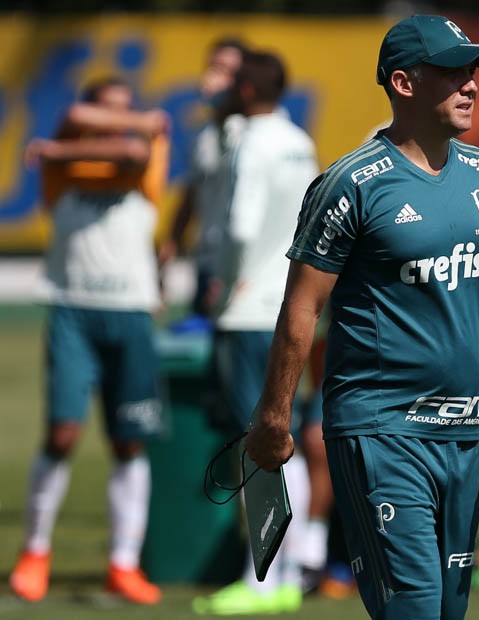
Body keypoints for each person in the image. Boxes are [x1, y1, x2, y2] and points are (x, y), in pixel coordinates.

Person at [243, 15, 479, 620]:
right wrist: (273, 417)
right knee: (415, 609)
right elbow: (301, 308)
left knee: (447, 611)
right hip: (381, 432)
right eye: (452, 71)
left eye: (472, 72)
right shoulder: (350, 184)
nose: (470, 84)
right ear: (403, 83)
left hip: (462, 432)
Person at [10, 76, 170, 605]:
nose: (120, 123)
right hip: (73, 312)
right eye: (105, 113)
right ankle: (35, 550)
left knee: (129, 441)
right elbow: (77, 130)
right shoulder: (62, 171)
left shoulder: (140, 156)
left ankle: (122, 563)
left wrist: (86, 137)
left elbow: (129, 149)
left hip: (130, 313)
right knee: (61, 435)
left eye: (129, 111)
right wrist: (69, 140)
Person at [190, 51, 318, 615]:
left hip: (249, 309)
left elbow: (239, 226)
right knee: (285, 437)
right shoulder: (300, 141)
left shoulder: (249, 141)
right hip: (293, 307)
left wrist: (225, 280)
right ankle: (291, 570)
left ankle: (263, 579)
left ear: (243, 91)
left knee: (257, 441)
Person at [158, 37, 247, 318]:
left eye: (227, 71)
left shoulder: (254, 131)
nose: (215, 77)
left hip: (244, 266)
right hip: (208, 260)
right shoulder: (204, 133)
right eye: (213, 67)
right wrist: (171, 244)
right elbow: (193, 193)